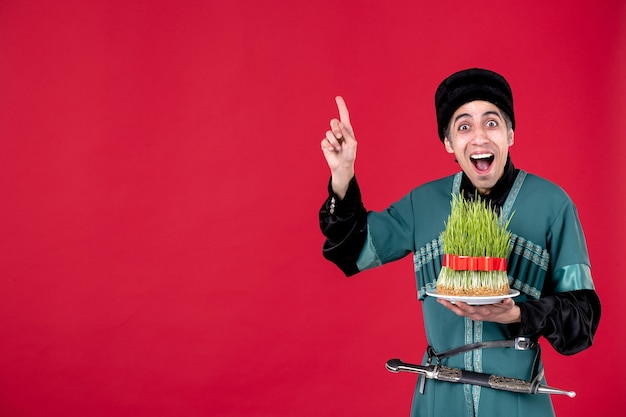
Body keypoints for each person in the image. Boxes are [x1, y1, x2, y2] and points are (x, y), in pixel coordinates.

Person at [318, 68, 601, 417]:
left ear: (510, 133)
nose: (479, 137)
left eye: (492, 123)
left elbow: (582, 320)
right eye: (464, 126)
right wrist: (342, 175)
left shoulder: (552, 205)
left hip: (517, 399)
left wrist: (519, 313)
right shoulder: (423, 204)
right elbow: (351, 251)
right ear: (449, 142)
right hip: (438, 399)